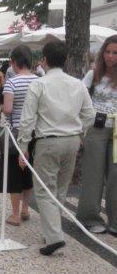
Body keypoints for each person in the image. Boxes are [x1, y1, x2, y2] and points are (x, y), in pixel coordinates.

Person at [17, 41, 95, 255]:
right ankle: (52, 230)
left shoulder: (39, 85)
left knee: (44, 189)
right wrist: (80, 133)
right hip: (71, 140)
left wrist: (23, 146)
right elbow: (89, 114)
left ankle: (54, 236)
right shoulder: (78, 84)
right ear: (66, 59)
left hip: (48, 140)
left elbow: (27, 119)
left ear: (44, 59)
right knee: (60, 187)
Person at [77, 34, 117, 234]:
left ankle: (115, 220)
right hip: (96, 128)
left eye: (115, 53)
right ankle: (90, 217)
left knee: (115, 176)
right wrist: (80, 130)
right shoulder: (93, 75)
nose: (110, 56)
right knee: (93, 174)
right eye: (107, 52)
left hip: (116, 131)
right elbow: (79, 100)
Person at [0, 45, 38, 226]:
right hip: (35, 132)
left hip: (16, 132)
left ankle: (15, 214)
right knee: (28, 171)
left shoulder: (12, 82)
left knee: (14, 173)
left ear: (14, 62)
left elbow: (7, 109)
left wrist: (3, 108)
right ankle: (25, 209)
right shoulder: (39, 81)